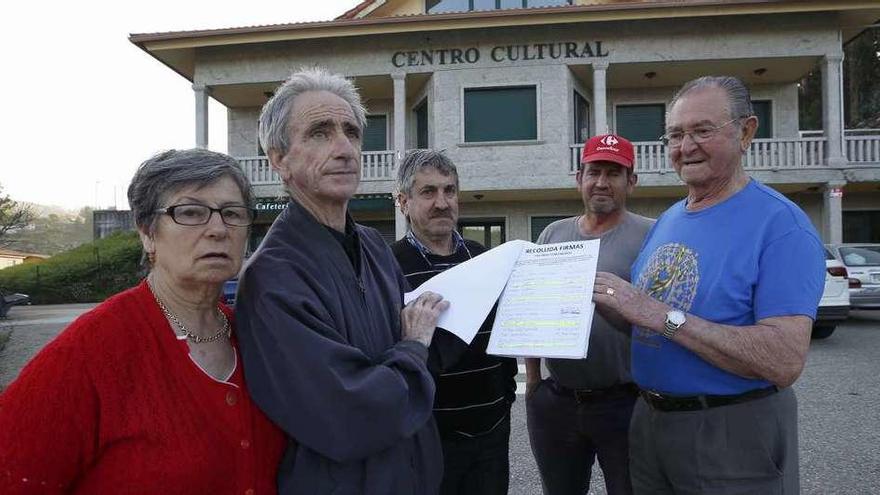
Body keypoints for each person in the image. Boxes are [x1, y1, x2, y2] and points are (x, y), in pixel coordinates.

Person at [0, 149, 286, 493]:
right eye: (191, 212)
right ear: (147, 233)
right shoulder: (89, 353)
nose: (218, 229)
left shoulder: (259, 338)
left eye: (232, 213)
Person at [591, 76, 825, 494]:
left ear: (746, 131)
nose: (686, 146)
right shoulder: (670, 219)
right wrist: (614, 306)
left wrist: (656, 314)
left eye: (703, 130)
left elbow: (784, 360)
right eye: (676, 134)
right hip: (649, 422)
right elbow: (651, 322)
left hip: (730, 429)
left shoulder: (780, 226)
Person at [235, 68, 449, 495]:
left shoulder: (372, 245)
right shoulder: (271, 278)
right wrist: (413, 346)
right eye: (319, 132)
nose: (345, 148)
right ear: (279, 158)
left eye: (351, 132)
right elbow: (348, 415)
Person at [524, 134, 653, 495]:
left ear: (632, 181)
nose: (601, 182)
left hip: (624, 401)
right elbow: (533, 305)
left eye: (614, 173)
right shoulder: (553, 233)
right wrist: (534, 382)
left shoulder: (651, 235)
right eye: (593, 171)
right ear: (578, 177)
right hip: (558, 401)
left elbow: (663, 314)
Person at [391, 149, 518, 495]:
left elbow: (504, 333)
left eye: (449, 190)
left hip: (491, 435)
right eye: (428, 192)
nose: (442, 202)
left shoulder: (483, 258)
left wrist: (505, 400)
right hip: (428, 439)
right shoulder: (388, 267)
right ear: (403, 202)